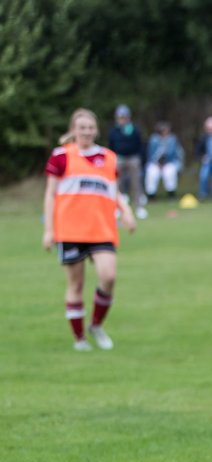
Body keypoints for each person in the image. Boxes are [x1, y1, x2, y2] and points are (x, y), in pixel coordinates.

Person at [42, 108, 136, 350]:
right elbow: (51, 194)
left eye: (90, 127)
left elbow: (113, 191)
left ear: (96, 130)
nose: (86, 131)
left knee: (109, 276)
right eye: (81, 127)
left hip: (101, 229)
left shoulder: (108, 157)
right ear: (73, 130)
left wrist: (126, 211)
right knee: (76, 285)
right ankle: (79, 339)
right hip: (70, 230)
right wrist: (49, 230)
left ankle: (96, 325)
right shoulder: (61, 156)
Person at [107, 105, 146, 219]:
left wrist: (140, 158)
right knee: (116, 183)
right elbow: (111, 146)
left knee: (136, 182)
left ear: (128, 117)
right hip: (118, 158)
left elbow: (140, 145)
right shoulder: (114, 131)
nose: (123, 119)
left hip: (133, 158)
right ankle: (117, 208)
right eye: (121, 117)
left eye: (125, 117)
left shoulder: (134, 129)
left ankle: (139, 207)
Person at [145, 121, 184, 200]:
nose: (165, 132)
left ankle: (171, 194)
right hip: (155, 164)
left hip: (169, 163)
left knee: (169, 172)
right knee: (152, 173)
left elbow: (178, 153)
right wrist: (157, 163)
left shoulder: (172, 139)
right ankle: (151, 195)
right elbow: (151, 155)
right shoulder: (154, 140)